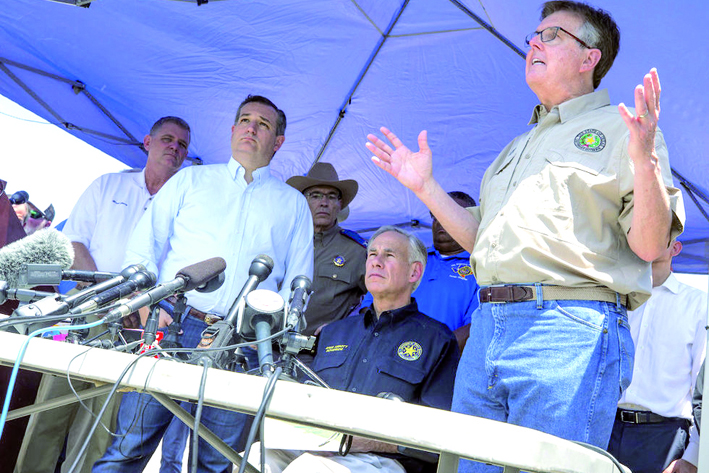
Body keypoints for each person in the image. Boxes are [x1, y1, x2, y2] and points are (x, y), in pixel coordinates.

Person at [365, 1, 684, 470]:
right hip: (489, 324)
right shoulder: (516, 147)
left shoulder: (625, 131)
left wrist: (646, 162)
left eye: (551, 35)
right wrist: (426, 188)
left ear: (590, 57)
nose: (533, 42)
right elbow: (482, 239)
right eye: (534, 35)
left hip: (566, 328)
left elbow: (650, 247)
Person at [93, 95, 314, 472]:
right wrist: (147, 305)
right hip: (172, 326)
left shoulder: (292, 204)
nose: (251, 128)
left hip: (243, 342)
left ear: (277, 142)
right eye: (244, 120)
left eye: (263, 124)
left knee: (214, 463)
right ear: (232, 130)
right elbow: (144, 247)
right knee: (127, 449)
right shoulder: (190, 180)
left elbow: (297, 285)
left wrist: (265, 336)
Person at [14, 116, 191, 473]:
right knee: (50, 411)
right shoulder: (108, 184)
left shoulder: (185, 206)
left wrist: (140, 305)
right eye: (167, 139)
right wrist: (108, 296)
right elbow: (73, 241)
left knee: (100, 426)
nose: (174, 147)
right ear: (148, 142)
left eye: (182, 145)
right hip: (88, 310)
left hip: (136, 324)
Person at [261, 226, 459, 473]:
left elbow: (437, 434)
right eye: (372, 254)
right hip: (316, 445)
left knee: (310, 468)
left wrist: (358, 441)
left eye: (389, 255)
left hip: (382, 459)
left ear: (414, 272)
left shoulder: (437, 340)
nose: (376, 261)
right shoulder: (335, 331)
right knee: (257, 457)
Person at [607, 240, 707, 473]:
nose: (652, 235)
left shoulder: (699, 304)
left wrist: (693, 456)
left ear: (676, 248)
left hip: (664, 438)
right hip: (608, 430)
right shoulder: (616, 299)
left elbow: (703, 388)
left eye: (663, 233)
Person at [361, 191, 479, 352]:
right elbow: (369, 307)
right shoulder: (408, 259)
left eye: (450, 213)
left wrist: (433, 354)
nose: (441, 219)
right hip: (386, 353)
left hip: (443, 359)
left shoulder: (481, 267)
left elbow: (476, 326)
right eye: (436, 214)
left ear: (471, 219)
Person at [286, 162, 366, 337]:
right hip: (268, 345)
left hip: (322, 350)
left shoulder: (357, 251)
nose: (323, 203)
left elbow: (382, 299)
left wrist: (349, 325)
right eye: (315, 195)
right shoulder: (283, 241)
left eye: (331, 196)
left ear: (340, 204)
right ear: (303, 201)